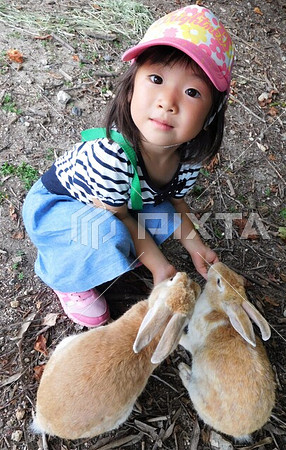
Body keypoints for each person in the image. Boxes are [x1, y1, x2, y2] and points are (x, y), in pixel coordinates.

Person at [22, 5, 234, 327]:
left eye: (192, 92)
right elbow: (118, 215)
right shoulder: (112, 157)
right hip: (59, 208)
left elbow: (176, 203)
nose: (167, 102)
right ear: (131, 85)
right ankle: (65, 277)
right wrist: (159, 266)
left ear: (210, 117)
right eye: (157, 78)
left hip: (117, 206)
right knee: (105, 233)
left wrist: (196, 247)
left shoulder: (189, 160)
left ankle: (115, 254)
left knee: (163, 214)